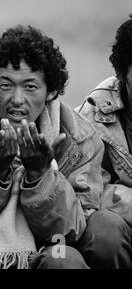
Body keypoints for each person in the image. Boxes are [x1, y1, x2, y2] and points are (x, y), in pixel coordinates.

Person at [0, 25, 104, 269]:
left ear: (51, 91)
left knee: (65, 260)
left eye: (30, 86)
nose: (16, 99)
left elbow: (73, 230)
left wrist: (40, 177)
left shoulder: (81, 139)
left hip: (47, 246)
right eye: (5, 85)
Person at [77, 15, 132, 269]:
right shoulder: (92, 114)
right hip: (123, 226)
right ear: (122, 73)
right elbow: (88, 188)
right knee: (104, 230)